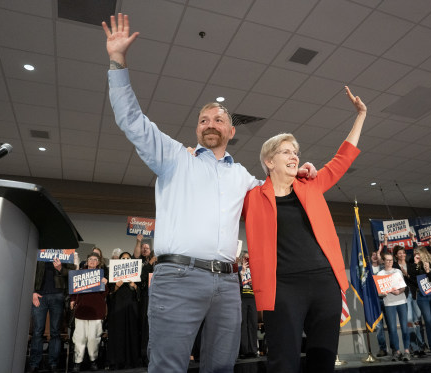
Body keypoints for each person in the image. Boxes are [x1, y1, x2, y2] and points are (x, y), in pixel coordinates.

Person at [101, 13, 316, 373]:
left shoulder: (243, 177)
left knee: (221, 367)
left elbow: (275, 195)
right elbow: (131, 120)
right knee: (167, 366)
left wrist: (298, 171)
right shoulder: (173, 159)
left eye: (218, 120)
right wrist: (117, 61)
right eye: (203, 120)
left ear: (232, 131)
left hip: (228, 284)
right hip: (178, 278)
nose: (210, 124)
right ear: (197, 130)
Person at [241, 86, 365, 372]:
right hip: (282, 288)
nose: (294, 155)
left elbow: (343, 158)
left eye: (295, 151)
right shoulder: (252, 198)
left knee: (323, 361)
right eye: (286, 151)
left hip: (325, 284)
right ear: (269, 161)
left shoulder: (312, 185)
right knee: (283, 362)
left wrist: (360, 115)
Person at [30, 257, 75, 373]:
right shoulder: (39, 250)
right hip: (39, 295)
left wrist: (61, 268)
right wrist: (33, 291)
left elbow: (72, 273)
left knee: (55, 332)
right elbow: (29, 270)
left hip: (58, 295)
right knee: (37, 331)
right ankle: (34, 364)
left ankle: (53, 364)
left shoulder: (64, 253)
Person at [70, 253, 109, 372]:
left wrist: (105, 284)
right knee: (79, 338)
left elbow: (105, 294)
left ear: (98, 262)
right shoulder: (79, 274)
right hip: (81, 311)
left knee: (94, 338)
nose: (92, 261)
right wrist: (72, 300)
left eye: (95, 259)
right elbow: (73, 290)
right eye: (90, 259)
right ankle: (77, 362)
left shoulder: (101, 275)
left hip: (96, 312)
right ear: (87, 261)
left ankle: (93, 360)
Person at [106, 251, 141, 369]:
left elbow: (141, 292)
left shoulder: (136, 273)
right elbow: (109, 293)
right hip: (118, 307)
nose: (125, 261)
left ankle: (131, 360)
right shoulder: (113, 273)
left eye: (128, 259)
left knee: (132, 332)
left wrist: (135, 286)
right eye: (123, 258)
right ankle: (117, 360)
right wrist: (116, 286)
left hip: (131, 307)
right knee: (118, 333)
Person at [377, 253, 411, 362]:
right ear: (383, 261)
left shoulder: (398, 271)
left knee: (405, 327)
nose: (389, 262)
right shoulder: (380, 273)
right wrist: (384, 293)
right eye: (387, 260)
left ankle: (406, 351)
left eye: (391, 260)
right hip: (389, 303)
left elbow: (403, 287)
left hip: (401, 301)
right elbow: (380, 293)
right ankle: (396, 351)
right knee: (392, 329)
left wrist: (398, 291)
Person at [133, 234, 156, 366]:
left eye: (147, 247)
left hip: (157, 296)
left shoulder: (157, 260)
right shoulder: (139, 261)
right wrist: (138, 241)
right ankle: (143, 355)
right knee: (144, 326)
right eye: (143, 247)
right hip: (144, 297)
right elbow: (141, 276)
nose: (145, 249)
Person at [238, 252, 258, 359]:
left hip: (253, 298)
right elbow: (237, 284)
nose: (247, 260)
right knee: (243, 324)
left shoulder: (255, 271)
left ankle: (253, 350)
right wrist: (243, 272)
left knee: (253, 323)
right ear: (242, 259)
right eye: (245, 258)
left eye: (249, 259)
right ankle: (244, 350)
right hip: (242, 298)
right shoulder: (239, 269)